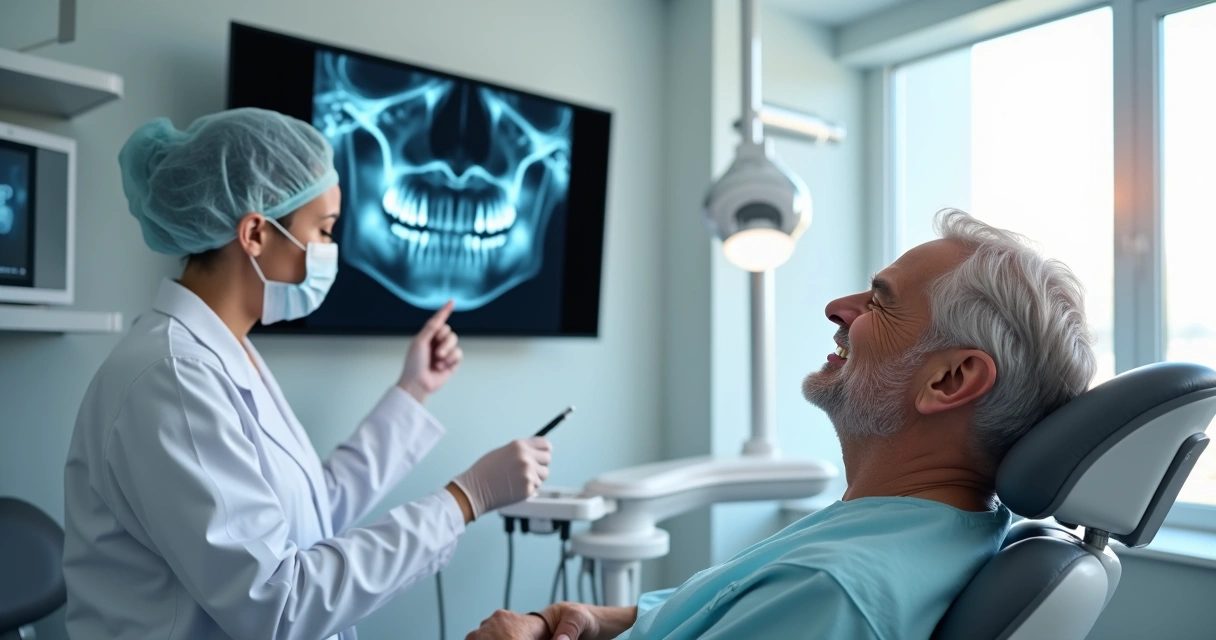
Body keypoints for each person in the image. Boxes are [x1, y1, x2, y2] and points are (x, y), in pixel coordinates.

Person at [466, 209, 1097, 640]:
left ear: (950, 380)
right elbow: (726, 606)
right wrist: (591, 619)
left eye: (880, 302)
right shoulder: (920, 529)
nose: (837, 308)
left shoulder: (832, 589)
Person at [62, 108, 554, 640]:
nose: (330, 251)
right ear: (255, 233)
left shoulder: (224, 353)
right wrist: (464, 500)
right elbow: (275, 602)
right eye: (324, 230)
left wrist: (413, 390)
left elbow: (314, 510)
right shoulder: (173, 378)